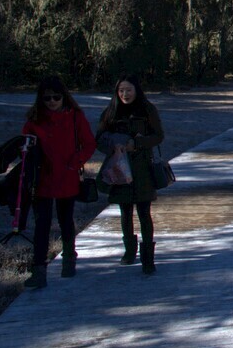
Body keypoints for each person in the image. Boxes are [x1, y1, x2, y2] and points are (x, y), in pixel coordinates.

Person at [21, 77, 96, 289]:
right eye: (47, 98)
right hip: (42, 179)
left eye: (56, 97)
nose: (52, 101)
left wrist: (76, 162)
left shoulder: (75, 117)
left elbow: (89, 143)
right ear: (40, 99)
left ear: (64, 96)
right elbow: (25, 145)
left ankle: (69, 259)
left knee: (65, 220)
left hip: (67, 177)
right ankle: (38, 271)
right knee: (42, 224)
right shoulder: (35, 119)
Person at [96, 75, 164, 275]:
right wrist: (112, 147)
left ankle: (148, 258)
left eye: (129, 90)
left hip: (142, 168)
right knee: (125, 212)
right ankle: (129, 251)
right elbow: (98, 139)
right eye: (121, 91)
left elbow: (158, 136)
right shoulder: (110, 112)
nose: (125, 94)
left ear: (137, 90)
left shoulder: (147, 110)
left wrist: (138, 144)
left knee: (144, 212)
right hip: (119, 168)